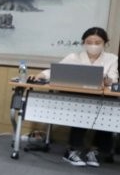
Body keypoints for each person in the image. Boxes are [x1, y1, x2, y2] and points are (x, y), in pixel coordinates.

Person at [36, 27, 118, 167]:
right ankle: (73, 150)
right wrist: (42, 75)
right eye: (89, 41)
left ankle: (96, 151)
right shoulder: (74, 57)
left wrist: (107, 80)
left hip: (102, 97)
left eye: (97, 42)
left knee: (107, 112)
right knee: (81, 109)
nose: (93, 45)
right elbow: (56, 71)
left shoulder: (112, 58)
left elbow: (114, 79)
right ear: (83, 42)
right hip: (79, 96)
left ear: (105, 43)